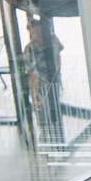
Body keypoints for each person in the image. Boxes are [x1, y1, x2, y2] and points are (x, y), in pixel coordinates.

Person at [22, 15, 64, 143]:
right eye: (33, 32)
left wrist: (58, 73)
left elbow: (58, 55)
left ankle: (56, 127)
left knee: (54, 103)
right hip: (39, 81)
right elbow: (29, 70)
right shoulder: (29, 48)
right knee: (40, 108)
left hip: (52, 78)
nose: (36, 34)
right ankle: (44, 130)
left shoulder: (52, 39)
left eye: (39, 31)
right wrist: (33, 88)